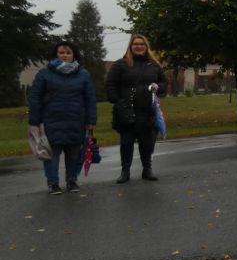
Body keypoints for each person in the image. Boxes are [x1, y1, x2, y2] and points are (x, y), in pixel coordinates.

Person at [28, 41, 97, 195]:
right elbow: (35, 98)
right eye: (61, 52)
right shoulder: (44, 74)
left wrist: (91, 120)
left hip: (76, 120)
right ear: (56, 55)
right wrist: (34, 121)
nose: (64, 55)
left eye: (68, 52)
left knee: (74, 154)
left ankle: (72, 181)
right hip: (51, 121)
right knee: (51, 154)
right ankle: (53, 183)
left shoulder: (83, 74)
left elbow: (90, 99)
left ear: (74, 55)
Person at [105, 34, 168, 183]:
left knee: (147, 143)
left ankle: (147, 169)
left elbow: (164, 82)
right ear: (130, 46)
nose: (139, 46)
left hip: (148, 110)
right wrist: (118, 101)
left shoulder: (154, 65)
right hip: (127, 111)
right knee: (126, 142)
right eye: (136, 44)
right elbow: (110, 84)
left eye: (142, 44)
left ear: (146, 47)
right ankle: (125, 171)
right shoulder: (120, 64)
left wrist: (158, 87)